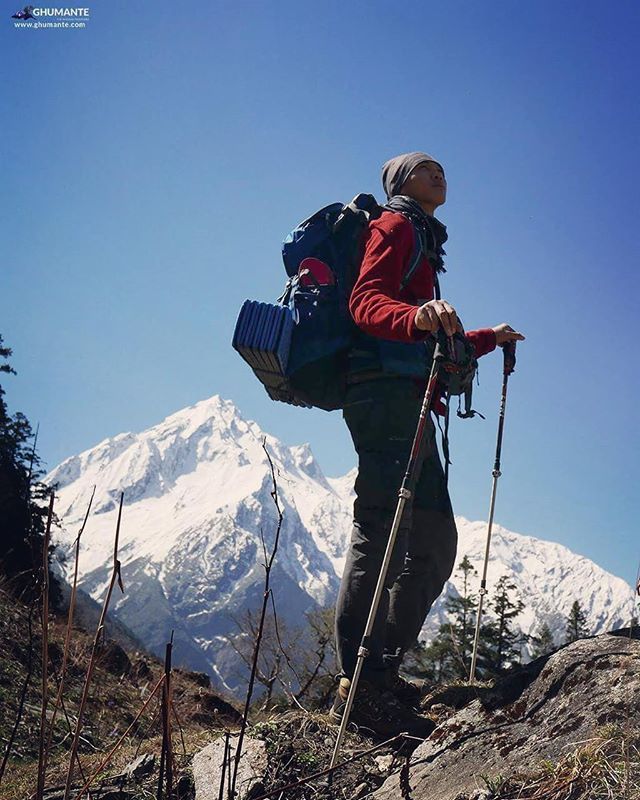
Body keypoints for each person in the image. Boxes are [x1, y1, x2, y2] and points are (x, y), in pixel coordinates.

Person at [330, 151, 524, 737]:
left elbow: (433, 325)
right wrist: (415, 319)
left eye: (442, 167)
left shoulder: (422, 238)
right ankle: (357, 684)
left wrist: (487, 338)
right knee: (382, 529)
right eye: (424, 168)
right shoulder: (393, 225)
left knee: (434, 541)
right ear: (398, 184)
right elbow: (366, 303)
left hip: (409, 398)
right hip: (383, 398)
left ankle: (380, 669)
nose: (439, 172)